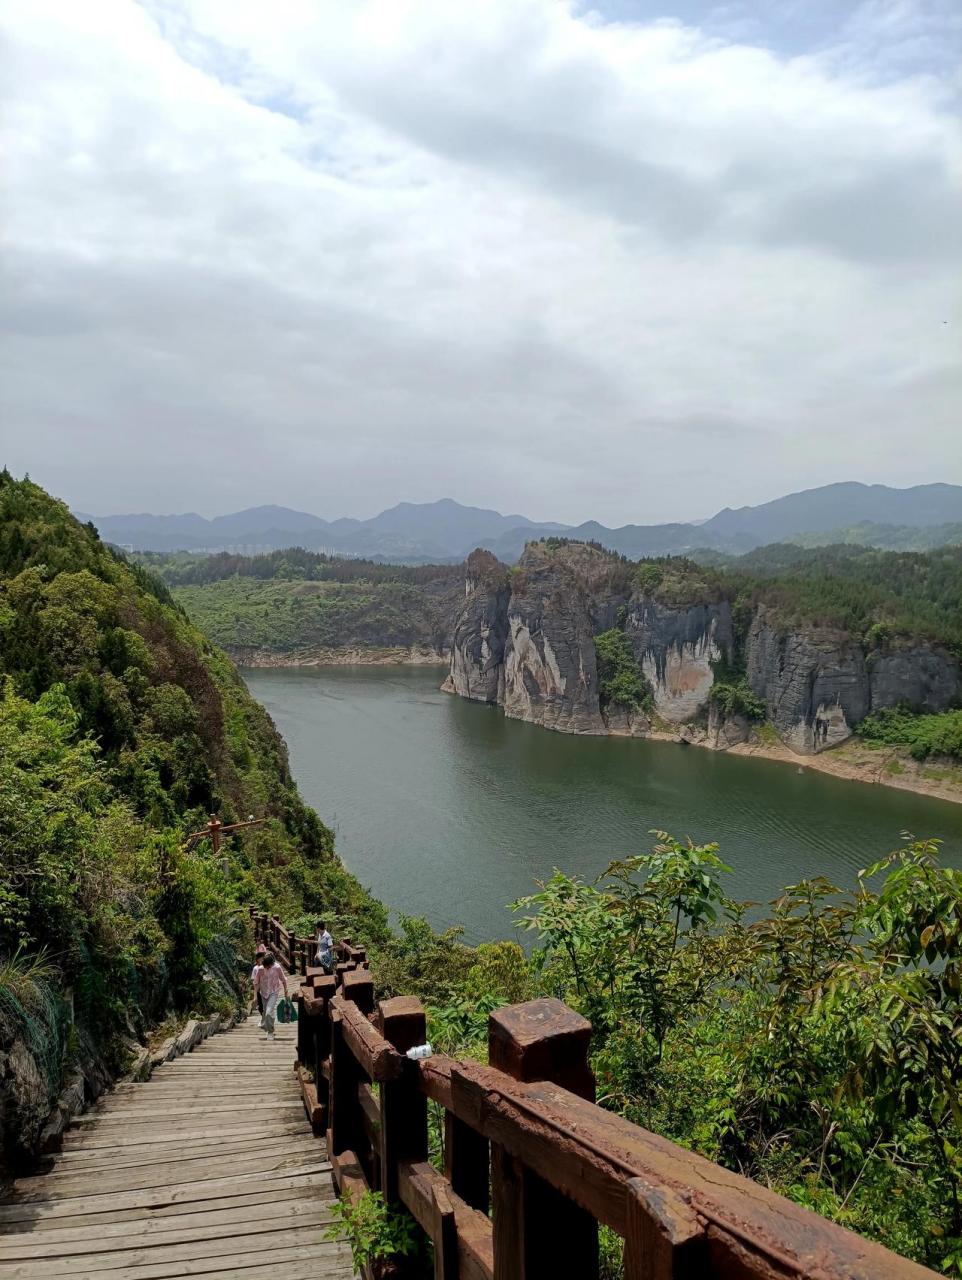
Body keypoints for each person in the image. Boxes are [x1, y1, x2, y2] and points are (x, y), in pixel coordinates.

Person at [253, 953, 289, 1040]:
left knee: (269, 1011)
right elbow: (256, 983)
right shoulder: (260, 969)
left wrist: (286, 991)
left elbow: (283, 980)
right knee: (265, 1012)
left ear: (272, 964)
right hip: (263, 992)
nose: (267, 968)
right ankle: (267, 1025)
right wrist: (255, 997)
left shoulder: (277, 967)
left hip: (274, 991)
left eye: (268, 966)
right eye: (265, 966)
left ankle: (270, 1032)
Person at [251, 943, 267, 1016]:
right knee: (261, 1006)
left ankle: (267, 1018)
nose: (261, 960)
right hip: (259, 989)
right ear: (257, 959)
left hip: (267, 988)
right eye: (260, 958)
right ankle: (263, 1017)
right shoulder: (255, 968)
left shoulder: (267, 967)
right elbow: (254, 980)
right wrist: (255, 993)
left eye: (263, 958)